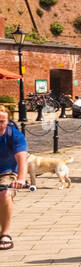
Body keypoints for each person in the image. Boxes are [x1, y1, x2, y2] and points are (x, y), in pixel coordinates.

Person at [0, 108, 29, 252]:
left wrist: (22, 178)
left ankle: (5, 233)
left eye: (2, 121)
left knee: (5, 194)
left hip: (7, 172)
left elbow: (22, 158)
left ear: (8, 121)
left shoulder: (15, 136)